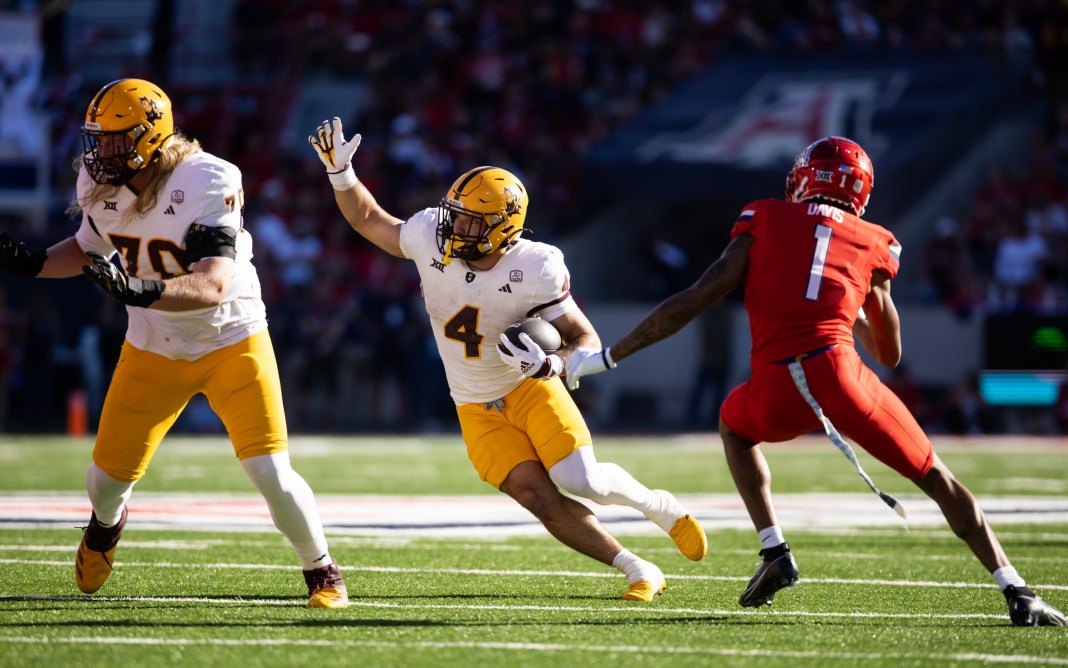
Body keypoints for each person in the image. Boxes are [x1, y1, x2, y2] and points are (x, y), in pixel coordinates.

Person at [566, 136, 1065, 626]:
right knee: (937, 478)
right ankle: (1016, 590)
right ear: (860, 194)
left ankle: (774, 549)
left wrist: (610, 356)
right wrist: (852, 300)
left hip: (777, 381)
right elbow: (889, 354)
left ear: (802, 181)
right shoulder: (876, 241)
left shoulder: (762, 216)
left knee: (735, 429)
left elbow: (699, 295)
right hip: (840, 373)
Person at [309, 117, 707, 601]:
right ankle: (636, 567)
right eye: (454, 214)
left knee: (582, 480)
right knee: (537, 497)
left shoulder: (536, 265)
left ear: (503, 227)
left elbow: (581, 335)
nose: (455, 226)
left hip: (527, 386)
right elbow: (369, 220)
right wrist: (341, 175)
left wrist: (554, 365)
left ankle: (659, 506)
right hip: (472, 402)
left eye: (470, 221)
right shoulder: (431, 236)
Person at [0, 79, 348, 608]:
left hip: (231, 337)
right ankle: (106, 525)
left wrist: (136, 289)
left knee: (270, 470)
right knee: (104, 482)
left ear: (149, 136)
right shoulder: (99, 185)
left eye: (116, 140)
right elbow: (86, 248)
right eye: (99, 139)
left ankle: (321, 570)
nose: (102, 152)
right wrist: (30, 261)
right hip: (155, 345)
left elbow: (210, 286)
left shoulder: (208, 178)